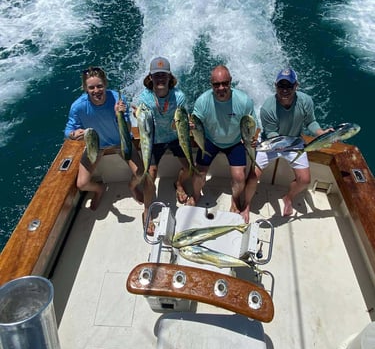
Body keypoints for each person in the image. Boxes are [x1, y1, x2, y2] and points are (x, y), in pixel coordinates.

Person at [64, 66, 154, 232]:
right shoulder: (78, 107)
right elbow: (68, 130)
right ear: (85, 89)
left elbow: (127, 128)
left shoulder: (117, 100)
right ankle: (99, 189)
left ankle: (132, 186)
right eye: (91, 87)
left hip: (121, 142)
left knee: (142, 175)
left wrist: (119, 114)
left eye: (99, 86)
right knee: (82, 184)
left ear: (105, 85)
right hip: (95, 145)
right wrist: (73, 134)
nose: (96, 90)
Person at [243, 67, 333, 217]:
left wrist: (321, 133)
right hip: (270, 142)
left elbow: (311, 122)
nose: (285, 90)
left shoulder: (306, 101)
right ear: (275, 86)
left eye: (289, 86)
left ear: (296, 86)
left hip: (294, 142)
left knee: (304, 180)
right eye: (281, 86)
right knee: (253, 176)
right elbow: (271, 132)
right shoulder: (267, 107)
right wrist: (280, 145)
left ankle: (288, 198)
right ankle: (245, 205)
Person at [187, 65, 258, 223]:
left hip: (235, 142)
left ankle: (235, 200)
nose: (221, 88)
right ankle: (196, 194)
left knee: (239, 177)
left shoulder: (244, 101)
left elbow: (252, 124)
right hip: (211, 140)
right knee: (199, 173)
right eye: (216, 84)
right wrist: (191, 125)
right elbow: (195, 121)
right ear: (211, 84)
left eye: (225, 83)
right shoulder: (202, 101)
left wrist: (252, 137)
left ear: (231, 82)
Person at [136, 56, 191, 205]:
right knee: (150, 173)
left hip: (175, 137)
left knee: (189, 167)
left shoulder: (179, 97)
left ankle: (179, 183)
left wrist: (188, 124)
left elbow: (182, 119)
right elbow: (143, 125)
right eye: (156, 75)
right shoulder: (144, 99)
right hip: (154, 140)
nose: (160, 78)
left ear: (169, 76)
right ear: (150, 77)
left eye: (163, 74)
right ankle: (147, 210)